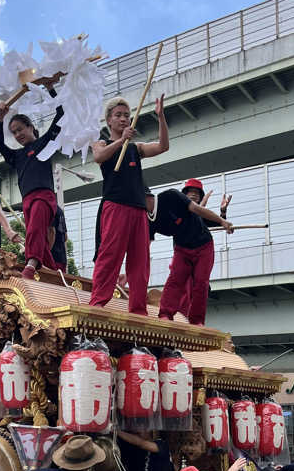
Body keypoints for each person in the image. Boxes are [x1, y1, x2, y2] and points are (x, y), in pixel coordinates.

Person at [89, 95, 169, 315]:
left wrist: (161, 117)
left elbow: (163, 146)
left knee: (140, 262)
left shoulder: (136, 148)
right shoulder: (102, 142)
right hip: (115, 206)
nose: (124, 119)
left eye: (127, 115)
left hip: (139, 210)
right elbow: (99, 157)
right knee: (110, 256)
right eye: (119, 115)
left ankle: (138, 310)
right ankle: (97, 303)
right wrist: (121, 140)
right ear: (109, 121)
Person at [0, 80, 63, 279]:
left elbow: (61, 115)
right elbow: (0, 145)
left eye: (20, 129)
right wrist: (0, 119)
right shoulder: (17, 156)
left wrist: (50, 88)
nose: (17, 135)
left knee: (34, 231)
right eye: (14, 132)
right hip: (27, 201)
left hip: (44, 197)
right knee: (38, 235)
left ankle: (31, 265)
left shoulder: (44, 143)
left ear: (31, 127)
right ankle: (52, 271)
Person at [146, 182, 234, 326]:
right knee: (175, 281)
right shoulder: (151, 218)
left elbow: (214, 220)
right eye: (190, 192)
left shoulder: (186, 205)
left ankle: (197, 321)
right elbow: (145, 246)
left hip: (204, 247)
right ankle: (165, 314)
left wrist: (222, 216)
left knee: (201, 283)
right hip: (182, 250)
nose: (194, 194)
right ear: (184, 195)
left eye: (197, 193)